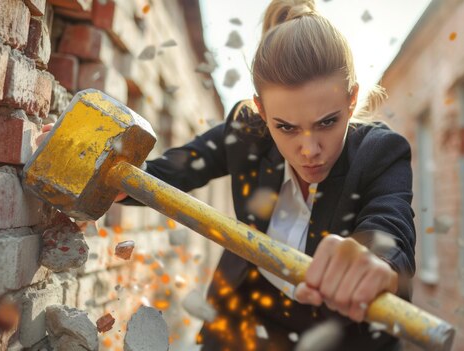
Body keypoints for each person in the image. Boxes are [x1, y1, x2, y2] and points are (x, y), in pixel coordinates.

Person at [39, 1, 415, 349]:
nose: (309, 149)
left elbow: (390, 225)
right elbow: (170, 171)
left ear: (352, 98)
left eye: (327, 122)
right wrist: (93, 164)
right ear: (262, 110)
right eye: (285, 127)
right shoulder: (245, 133)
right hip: (242, 327)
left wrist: (375, 261)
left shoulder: (381, 152)